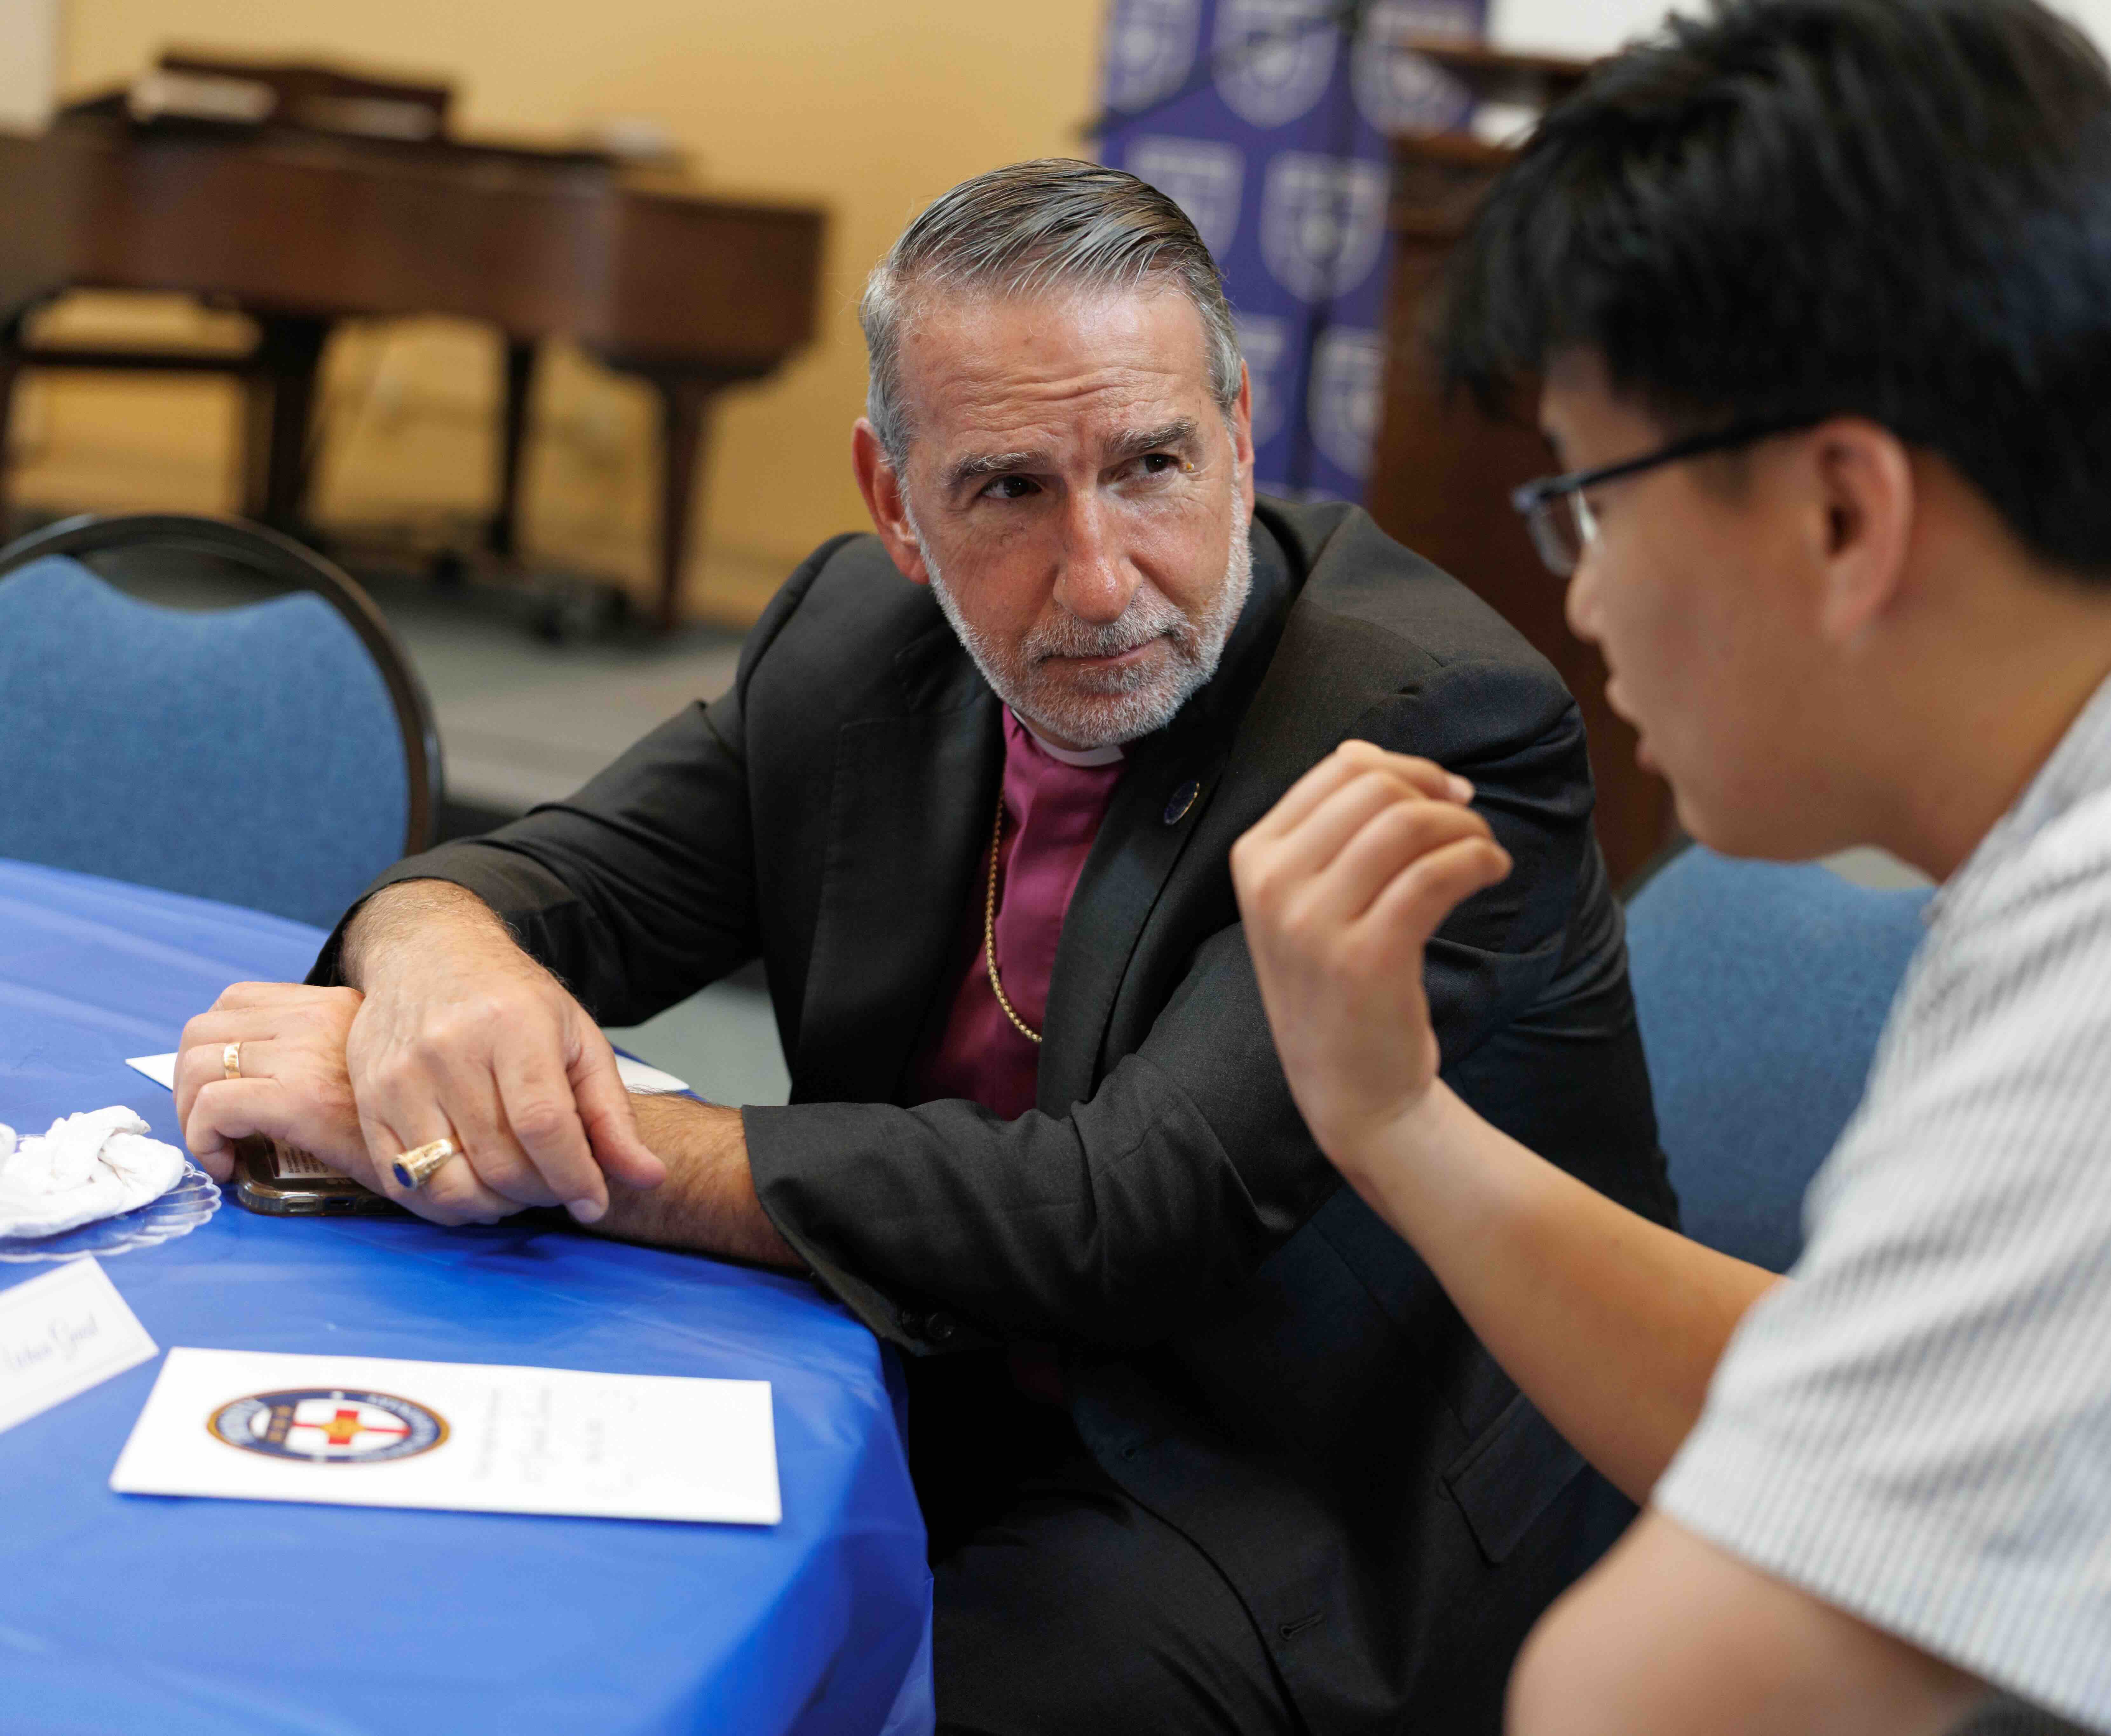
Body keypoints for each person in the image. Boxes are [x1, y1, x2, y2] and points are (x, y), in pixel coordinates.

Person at [1229, 3, 2111, 1732]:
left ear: (1842, 514)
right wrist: (1395, 1119)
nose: (1578, 595)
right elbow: (1830, 1415)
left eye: (1590, 502)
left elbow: (1630, 1706)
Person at [170, 161, 1672, 1735]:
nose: (1099, 579)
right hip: (924, 1380)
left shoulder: (1419, 720)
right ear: (894, 502)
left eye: (1151, 464)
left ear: (1236, 434)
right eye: (1008, 490)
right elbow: (560, 886)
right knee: (461, 1590)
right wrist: (436, 966)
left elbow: (1126, 1213)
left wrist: (564, 1141)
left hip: (1300, 1491)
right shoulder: (856, 639)